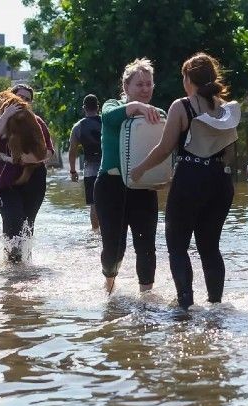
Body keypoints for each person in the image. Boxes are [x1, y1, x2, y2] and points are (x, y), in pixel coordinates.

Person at [131, 52, 239, 310]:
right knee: (210, 247)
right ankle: (216, 306)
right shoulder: (226, 110)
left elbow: (164, 148)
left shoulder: (182, 106)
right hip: (221, 182)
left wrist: (140, 169)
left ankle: (185, 306)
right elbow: (231, 154)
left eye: (183, 76)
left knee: (177, 246)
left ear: (189, 78)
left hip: (190, 180)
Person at [94, 58, 164, 293]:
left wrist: (163, 178)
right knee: (114, 248)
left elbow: (166, 151)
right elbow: (109, 119)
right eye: (139, 85)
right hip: (110, 187)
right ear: (126, 87)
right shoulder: (111, 106)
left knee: (146, 246)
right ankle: (109, 283)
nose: (145, 89)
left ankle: (146, 299)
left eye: (149, 84)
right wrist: (137, 107)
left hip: (143, 187)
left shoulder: (159, 114)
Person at [0, 84, 54, 262]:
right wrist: (6, 115)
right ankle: (12, 268)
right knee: (13, 223)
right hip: (5, 183)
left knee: (27, 225)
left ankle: (25, 268)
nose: (22, 101)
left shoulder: (35, 120)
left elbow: (49, 152)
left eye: (27, 99)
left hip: (34, 180)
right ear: (9, 97)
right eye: (19, 97)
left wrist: (29, 159)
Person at [69, 94, 102, 230]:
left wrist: (73, 170)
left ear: (84, 108)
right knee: (111, 202)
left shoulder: (78, 127)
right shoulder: (106, 122)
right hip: (109, 167)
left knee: (94, 204)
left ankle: (95, 234)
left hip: (90, 170)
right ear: (98, 107)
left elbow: (72, 151)